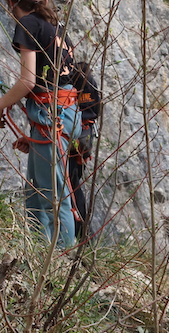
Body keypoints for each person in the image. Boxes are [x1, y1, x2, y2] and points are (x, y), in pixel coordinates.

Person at [0, 0, 81, 249]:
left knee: (52, 198)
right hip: (63, 115)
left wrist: (0, 105)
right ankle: (38, 254)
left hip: (51, 117)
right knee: (37, 193)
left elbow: (28, 80)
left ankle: (59, 258)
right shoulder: (55, 26)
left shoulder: (28, 24)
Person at [67, 59, 101, 238]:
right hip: (85, 139)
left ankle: (82, 235)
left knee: (71, 187)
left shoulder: (71, 82)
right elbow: (97, 109)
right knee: (74, 184)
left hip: (73, 139)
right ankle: (83, 235)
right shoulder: (91, 82)